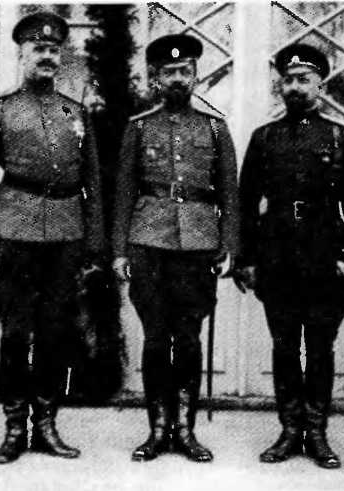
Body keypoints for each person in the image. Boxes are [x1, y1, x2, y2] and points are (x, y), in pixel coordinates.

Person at [0, 12, 105, 464]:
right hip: (15, 228)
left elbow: (92, 179)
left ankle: (45, 424)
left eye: (53, 50)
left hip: (66, 232)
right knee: (16, 333)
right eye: (38, 49)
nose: (47, 56)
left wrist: (95, 243)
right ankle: (13, 427)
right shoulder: (0, 107)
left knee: (55, 332)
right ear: (21, 54)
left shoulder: (73, 109)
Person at [112, 34, 239, 463]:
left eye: (185, 71)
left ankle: (185, 430)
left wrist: (228, 245)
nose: (179, 79)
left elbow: (229, 192)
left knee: (187, 338)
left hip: (198, 244)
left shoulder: (215, 128)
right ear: (156, 78)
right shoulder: (139, 127)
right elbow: (124, 191)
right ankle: (157, 430)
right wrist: (120, 251)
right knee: (154, 338)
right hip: (148, 241)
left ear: (196, 75)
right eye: (170, 73)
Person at [235, 44, 344, 469]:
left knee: (321, 347)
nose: (294, 87)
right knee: (285, 346)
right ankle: (290, 430)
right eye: (288, 80)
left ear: (320, 85)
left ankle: (318, 433)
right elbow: (246, 203)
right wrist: (246, 260)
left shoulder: (341, 138)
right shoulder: (264, 138)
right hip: (277, 257)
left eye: (303, 80)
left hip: (326, 257)